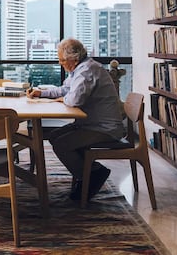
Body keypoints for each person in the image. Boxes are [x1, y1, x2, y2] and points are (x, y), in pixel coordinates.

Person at [27, 38, 124, 200]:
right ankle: (86, 171)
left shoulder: (87, 71)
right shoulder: (80, 69)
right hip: (90, 124)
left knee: (61, 144)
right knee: (54, 136)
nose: (60, 63)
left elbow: (73, 100)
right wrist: (42, 93)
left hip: (104, 129)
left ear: (75, 58)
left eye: (62, 60)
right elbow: (65, 89)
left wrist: (61, 99)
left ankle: (93, 174)